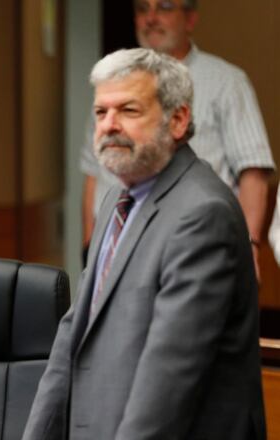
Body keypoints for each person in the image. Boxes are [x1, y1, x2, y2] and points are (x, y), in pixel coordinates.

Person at [23, 48, 265, 439]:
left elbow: (169, 380)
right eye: (101, 113)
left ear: (178, 119)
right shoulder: (117, 199)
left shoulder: (202, 214)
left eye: (129, 111)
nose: (109, 125)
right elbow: (74, 334)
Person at [80, 0, 275, 278]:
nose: (151, 18)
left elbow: (253, 171)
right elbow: (94, 173)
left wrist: (248, 247)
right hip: (114, 248)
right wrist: (89, 250)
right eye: (142, 9)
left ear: (191, 19)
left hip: (193, 246)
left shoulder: (226, 81)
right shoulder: (113, 85)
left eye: (165, 7)